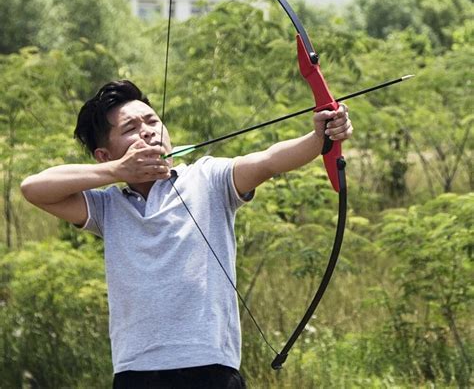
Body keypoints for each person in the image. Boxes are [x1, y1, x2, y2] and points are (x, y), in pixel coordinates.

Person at [20, 80, 353, 388]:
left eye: (152, 121)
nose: (148, 132)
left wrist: (319, 138)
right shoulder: (108, 206)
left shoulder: (208, 178)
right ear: (104, 155)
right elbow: (33, 188)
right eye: (131, 128)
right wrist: (117, 172)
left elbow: (269, 161)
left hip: (211, 367)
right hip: (137, 372)